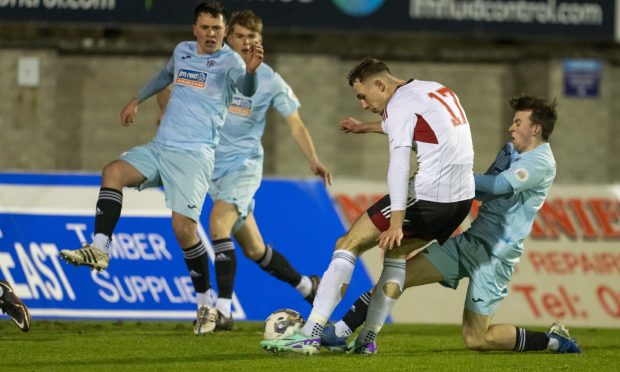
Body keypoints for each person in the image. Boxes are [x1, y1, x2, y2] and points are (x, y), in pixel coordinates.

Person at [59, 1, 264, 336]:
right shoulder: (182, 51)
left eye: (217, 28)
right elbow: (165, 75)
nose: (211, 34)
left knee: (184, 230)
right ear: (194, 28)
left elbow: (245, 88)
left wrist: (252, 70)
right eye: (205, 27)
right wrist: (136, 99)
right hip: (161, 147)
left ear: (225, 31)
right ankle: (99, 248)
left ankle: (204, 303)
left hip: (194, 156)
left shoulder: (231, 62)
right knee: (113, 172)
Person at [321, 95, 581, 354]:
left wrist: (451, 171)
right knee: (399, 276)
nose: (511, 128)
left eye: (518, 122)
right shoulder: (509, 151)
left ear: (535, 128)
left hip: (496, 257)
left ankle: (553, 341)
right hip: (469, 243)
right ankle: (343, 331)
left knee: (477, 339)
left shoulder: (541, 162)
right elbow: (481, 192)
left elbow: (498, 186)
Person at [261, 57, 475, 354]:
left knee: (348, 243)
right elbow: (420, 128)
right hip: (460, 201)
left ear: (380, 84)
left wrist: (397, 221)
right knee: (396, 256)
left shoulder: (399, 104)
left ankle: (310, 334)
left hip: (428, 196)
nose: (362, 103)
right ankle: (367, 339)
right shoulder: (432, 89)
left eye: (362, 96)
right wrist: (365, 127)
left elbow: (398, 166)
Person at [157, 10, 331, 331]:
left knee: (217, 225)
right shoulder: (211, 65)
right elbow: (168, 88)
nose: (247, 42)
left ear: (260, 42)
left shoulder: (269, 80)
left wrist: (314, 159)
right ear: (228, 38)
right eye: (240, 36)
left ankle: (222, 312)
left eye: (253, 37)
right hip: (211, 168)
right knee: (255, 250)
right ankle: (309, 286)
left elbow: (295, 124)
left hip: (244, 167)